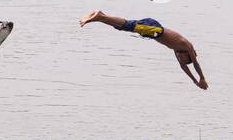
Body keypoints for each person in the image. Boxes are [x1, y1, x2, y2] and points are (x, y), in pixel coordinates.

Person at [79, 10, 208, 90]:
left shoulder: (177, 50)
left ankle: (101, 16)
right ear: (188, 56)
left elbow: (183, 67)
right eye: (184, 60)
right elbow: (195, 63)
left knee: (124, 27)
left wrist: (194, 81)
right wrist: (202, 78)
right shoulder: (186, 46)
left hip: (154, 32)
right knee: (129, 26)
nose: (181, 60)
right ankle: (100, 17)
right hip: (156, 30)